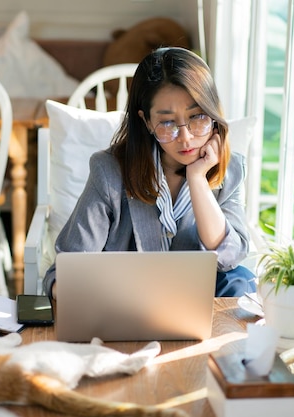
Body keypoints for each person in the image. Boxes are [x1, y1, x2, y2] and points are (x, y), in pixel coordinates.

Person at [43, 47, 255, 298]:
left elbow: (228, 257)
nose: (186, 138)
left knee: (239, 280)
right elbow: (68, 269)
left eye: (197, 117)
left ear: (212, 114)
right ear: (146, 122)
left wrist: (197, 179)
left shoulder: (230, 171)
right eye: (167, 123)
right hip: (127, 300)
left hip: (199, 303)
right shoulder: (109, 171)